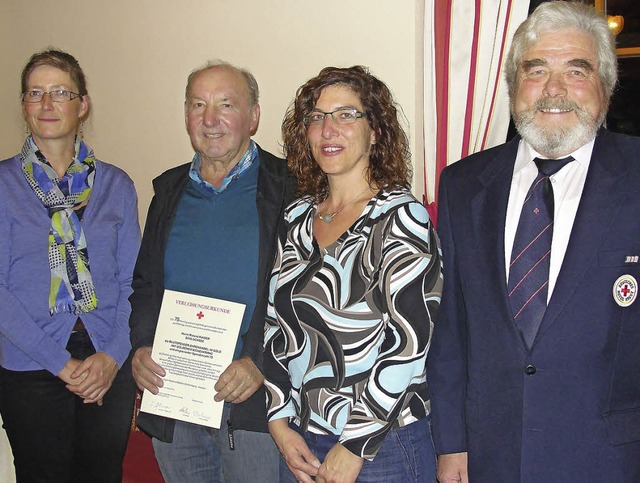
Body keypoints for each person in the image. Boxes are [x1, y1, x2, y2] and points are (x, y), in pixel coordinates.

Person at [429, 2, 640, 482]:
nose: (554, 89)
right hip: (489, 456)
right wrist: (452, 442)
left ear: (604, 87)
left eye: (576, 70)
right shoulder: (463, 184)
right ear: (512, 86)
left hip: (611, 459)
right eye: (536, 69)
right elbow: (450, 327)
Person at [264, 66, 442, 483]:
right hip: (301, 440)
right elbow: (275, 327)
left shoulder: (401, 217)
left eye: (346, 115)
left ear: (375, 130)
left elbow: (409, 342)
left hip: (383, 446)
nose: (329, 129)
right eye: (317, 117)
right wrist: (278, 422)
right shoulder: (295, 218)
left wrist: (355, 443)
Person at [129, 60, 294, 482]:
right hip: (174, 396)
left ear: (253, 116)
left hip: (253, 402)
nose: (210, 119)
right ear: (186, 116)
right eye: (198, 104)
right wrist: (143, 347)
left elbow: (302, 293)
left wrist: (259, 361)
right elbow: (146, 285)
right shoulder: (167, 191)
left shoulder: (290, 188)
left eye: (226, 104)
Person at [0, 48, 140, 482]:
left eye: (60, 92)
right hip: (30, 365)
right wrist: (59, 363)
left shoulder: (117, 185)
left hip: (106, 364)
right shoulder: (3, 185)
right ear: (24, 105)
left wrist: (112, 357)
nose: (47, 104)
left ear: (82, 105)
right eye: (35, 93)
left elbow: (133, 281)